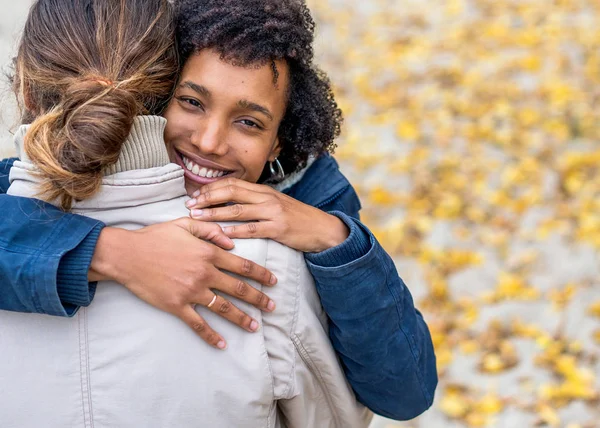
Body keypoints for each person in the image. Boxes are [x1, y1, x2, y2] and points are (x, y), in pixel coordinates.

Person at [0, 0, 437, 421]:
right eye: (191, 102)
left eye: (249, 122)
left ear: (277, 144)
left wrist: (337, 241)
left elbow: (405, 393)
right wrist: (111, 252)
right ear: (152, 98)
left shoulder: (310, 217)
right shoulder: (28, 194)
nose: (210, 142)